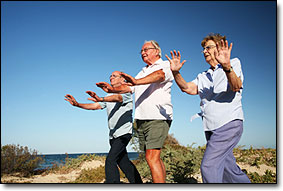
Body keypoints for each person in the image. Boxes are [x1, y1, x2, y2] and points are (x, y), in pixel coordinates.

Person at [165, 33, 251, 183]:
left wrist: (226, 67)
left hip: (229, 122)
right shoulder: (203, 75)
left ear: (219, 47)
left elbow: (236, 86)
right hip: (211, 127)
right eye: (203, 49)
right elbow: (187, 88)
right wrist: (175, 73)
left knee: (208, 166)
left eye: (208, 47)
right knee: (228, 169)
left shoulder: (233, 63)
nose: (204, 51)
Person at [96, 40, 174, 183]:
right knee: (153, 157)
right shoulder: (142, 71)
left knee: (151, 157)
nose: (143, 53)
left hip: (158, 116)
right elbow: (129, 87)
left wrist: (136, 82)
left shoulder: (165, 65)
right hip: (142, 119)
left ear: (157, 51)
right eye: (141, 51)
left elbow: (159, 76)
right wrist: (110, 89)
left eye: (146, 49)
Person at [64, 71, 142, 183]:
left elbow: (118, 98)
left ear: (122, 79)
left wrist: (101, 99)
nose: (111, 77)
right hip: (113, 135)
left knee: (110, 160)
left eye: (114, 76)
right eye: (110, 76)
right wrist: (78, 104)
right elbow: (95, 106)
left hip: (124, 133)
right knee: (123, 162)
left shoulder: (126, 92)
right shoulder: (108, 96)